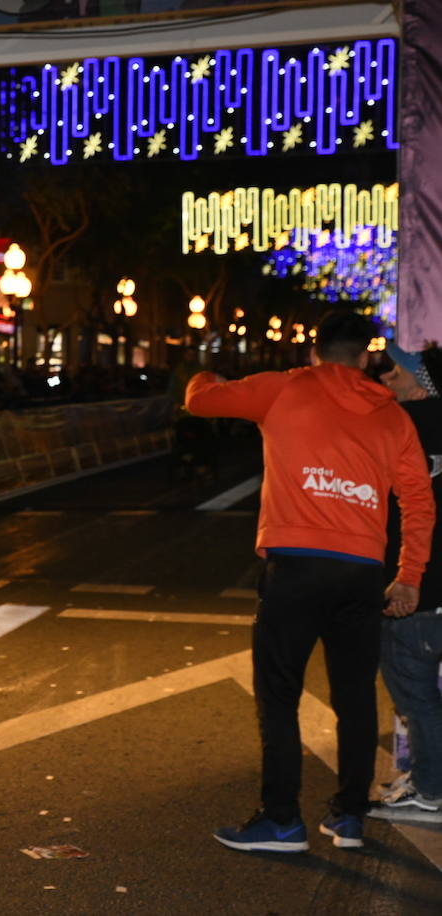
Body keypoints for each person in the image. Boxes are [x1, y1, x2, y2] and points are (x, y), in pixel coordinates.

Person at [186, 309, 435, 853]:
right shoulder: (392, 417)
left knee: (279, 696)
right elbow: (418, 500)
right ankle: (348, 817)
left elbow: (201, 401)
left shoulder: (284, 389)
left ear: (314, 351)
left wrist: (202, 372)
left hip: (295, 566)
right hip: (362, 572)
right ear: (366, 356)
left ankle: (281, 821)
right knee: (354, 698)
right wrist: (409, 575)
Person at [371, 345, 442, 818]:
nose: (386, 381)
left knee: (416, 696)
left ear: (422, 383)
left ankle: (431, 790)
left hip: (418, 588)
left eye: (394, 372)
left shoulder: (405, 426)